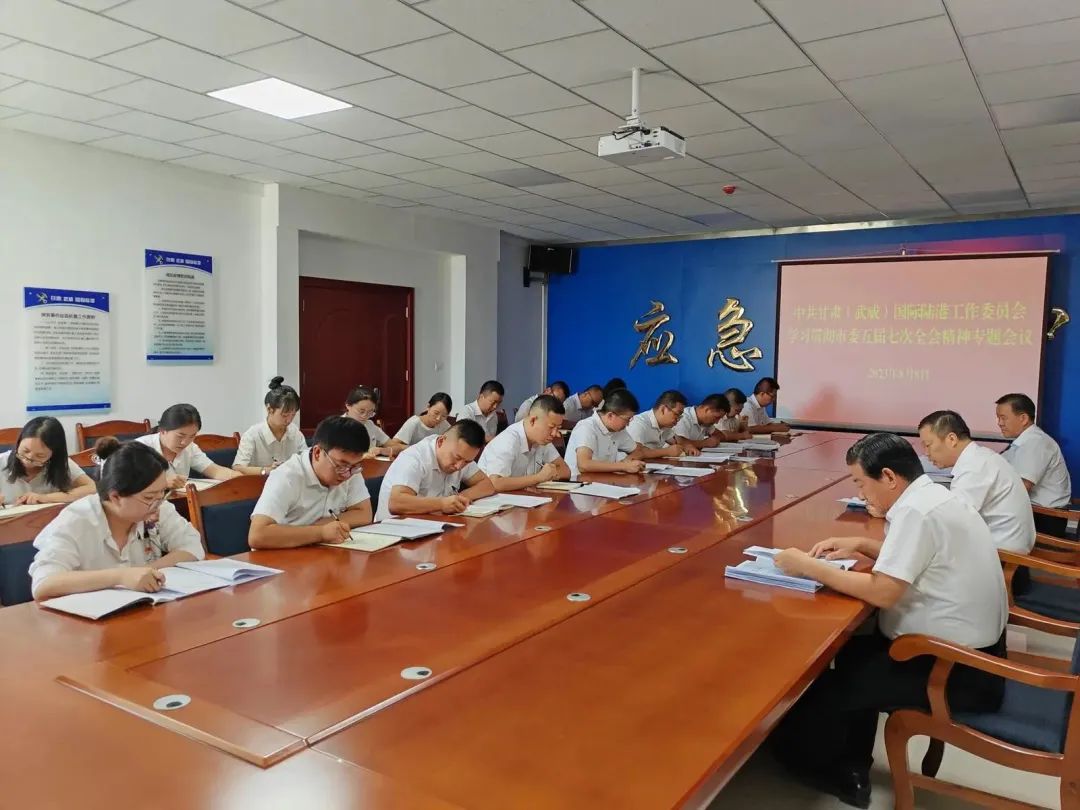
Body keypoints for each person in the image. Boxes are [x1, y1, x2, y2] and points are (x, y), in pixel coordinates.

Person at [772, 433, 1006, 808]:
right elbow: (925, 555)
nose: (860, 493)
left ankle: (838, 775)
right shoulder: (934, 498)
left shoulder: (916, 512)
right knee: (853, 653)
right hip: (978, 655)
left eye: (861, 483)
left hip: (954, 672)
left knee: (818, 692)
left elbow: (882, 592)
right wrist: (862, 545)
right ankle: (854, 764)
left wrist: (807, 566)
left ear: (889, 476)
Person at [28, 439, 205, 601]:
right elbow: (44, 584)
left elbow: (192, 546)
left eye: (162, 493)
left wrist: (150, 571)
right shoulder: (76, 520)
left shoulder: (158, 507)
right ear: (116, 497)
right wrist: (120, 577)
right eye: (149, 497)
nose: (158, 503)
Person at [918, 410, 1035, 552]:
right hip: (1003, 543)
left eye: (928, 445)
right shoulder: (979, 457)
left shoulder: (975, 467)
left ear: (952, 439)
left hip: (1002, 553)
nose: (926, 453)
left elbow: (955, 521)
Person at [248, 416, 373, 549]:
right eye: (341, 465)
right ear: (317, 453)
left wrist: (325, 525)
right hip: (281, 554)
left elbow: (364, 514)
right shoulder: (287, 476)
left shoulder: (350, 469)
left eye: (354, 466)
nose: (347, 474)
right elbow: (257, 535)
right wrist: (321, 532)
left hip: (320, 552)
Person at [376, 419, 495, 521]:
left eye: (467, 462)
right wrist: (442, 504)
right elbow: (396, 503)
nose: (459, 466)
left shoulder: (463, 455)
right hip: (393, 531)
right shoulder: (414, 458)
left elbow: (487, 485)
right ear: (441, 441)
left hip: (432, 525)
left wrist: (461, 499)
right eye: (457, 458)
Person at [995, 393, 1072, 533]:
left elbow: (1021, 487)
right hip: (1034, 512)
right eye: (998, 418)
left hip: (1044, 517)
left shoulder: (1036, 443)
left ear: (1023, 418)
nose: (999, 423)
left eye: (1003, 418)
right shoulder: (1024, 441)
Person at [136, 404, 241, 488]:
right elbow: (129, 484)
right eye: (180, 436)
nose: (185, 442)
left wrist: (239, 477)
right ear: (163, 430)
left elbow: (215, 471)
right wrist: (161, 483)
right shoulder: (140, 448)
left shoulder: (190, 447)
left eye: (192, 436)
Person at [480, 395, 571, 491]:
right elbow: (495, 483)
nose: (555, 434)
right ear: (533, 420)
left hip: (522, 496)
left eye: (558, 428)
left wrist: (547, 475)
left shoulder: (543, 440)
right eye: (551, 427)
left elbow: (565, 471)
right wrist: (538, 478)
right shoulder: (508, 440)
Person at [0, 416, 96, 506]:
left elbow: (92, 488)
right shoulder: (2, 461)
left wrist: (45, 498)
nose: (28, 459)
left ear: (54, 454)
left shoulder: (60, 463)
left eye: (40, 455)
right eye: (25, 451)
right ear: (19, 442)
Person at [564, 388, 647, 478]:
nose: (628, 424)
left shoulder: (618, 430)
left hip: (604, 480)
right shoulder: (586, 427)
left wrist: (627, 461)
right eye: (627, 419)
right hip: (579, 482)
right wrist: (624, 466)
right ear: (610, 415)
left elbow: (638, 451)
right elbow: (584, 465)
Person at [233, 376, 307, 476]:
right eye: (284, 415)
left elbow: (306, 461)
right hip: (259, 483)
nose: (289, 420)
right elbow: (237, 468)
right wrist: (266, 470)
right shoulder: (253, 435)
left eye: (293, 415)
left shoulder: (294, 431)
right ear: (269, 409)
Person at [627, 390, 692, 459]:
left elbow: (675, 441)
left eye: (680, 416)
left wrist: (687, 446)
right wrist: (666, 451)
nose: (678, 419)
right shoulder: (638, 423)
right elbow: (635, 453)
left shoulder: (665, 426)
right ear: (663, 409)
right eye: (676, 414)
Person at [344, 385, 395, 458]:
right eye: (361, 411)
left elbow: (394, 445)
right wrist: (361, 456)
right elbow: (334, 456)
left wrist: (382, 450)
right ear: (348, 405)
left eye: (370, 412)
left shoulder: (369, 425)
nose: (365, 416)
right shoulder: (336, 426)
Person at [387, 392, 453, 449]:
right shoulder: (414, 422)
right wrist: (416, 449)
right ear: (428, 407)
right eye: (436, 413)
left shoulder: (444, 424)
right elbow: (392, 444)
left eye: (444, 416)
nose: (438, 418)